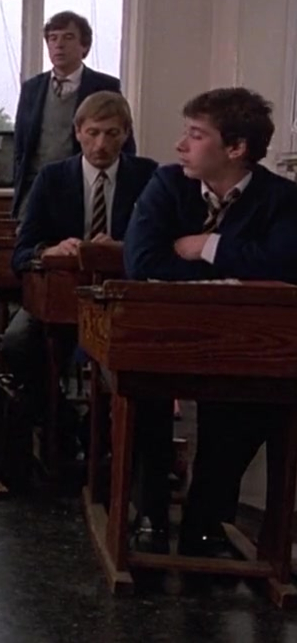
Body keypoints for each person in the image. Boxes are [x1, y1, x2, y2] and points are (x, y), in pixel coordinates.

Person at [124, 88, 297, 555]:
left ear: (236, 148)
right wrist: (240, 272)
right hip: (160, 336)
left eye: (197, 135)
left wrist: (207, 246)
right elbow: (143, 262)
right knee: (142, 392)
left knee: (249, 400)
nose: (181, 145)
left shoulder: (282, 199)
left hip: (244, 343)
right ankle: (150, 513)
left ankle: (206, 520)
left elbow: (286, 265)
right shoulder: (167, 184)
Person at [0, 91, 159, 509]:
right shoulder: (52, 178)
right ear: (77, 132)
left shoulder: (149, 177)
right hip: (58, 299)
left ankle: (111, 438)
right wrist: (49, 251)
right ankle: (64, 424)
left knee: (139, 363)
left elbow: (164, 246)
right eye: (93, 133)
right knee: (17, 344)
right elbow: (21, 252)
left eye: (112, 134)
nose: (101, 144)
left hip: (124, 304)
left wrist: (124, 249)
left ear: (126, 134)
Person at [10, 11, 136, 218]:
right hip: (36, 187)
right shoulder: (32, 88)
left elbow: (124, 140)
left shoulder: (104, 85)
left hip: (84, 186)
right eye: (53, 38)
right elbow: (20, 145)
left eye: (68, 37)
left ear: (84, 46)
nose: (59, 45)